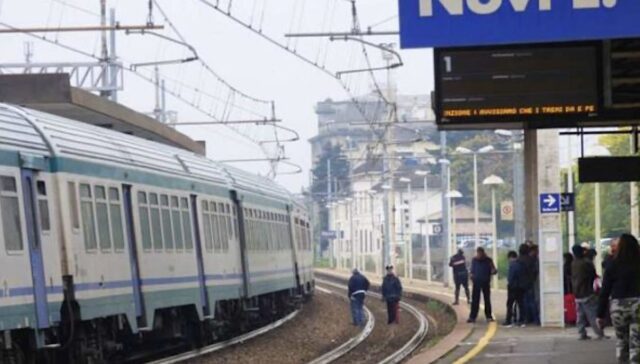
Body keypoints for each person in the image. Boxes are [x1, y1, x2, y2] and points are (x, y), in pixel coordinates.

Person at [597, 234, 640, 363]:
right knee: (637, 341)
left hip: (618, 306)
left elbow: (604, 291)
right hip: (638, 304)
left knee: (621, 340)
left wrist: (600, 314)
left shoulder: (612, 264)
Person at [571, 244, 606, 340]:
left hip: (577, 293)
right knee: (592, 314)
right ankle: (599, 333)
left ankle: (582, 333)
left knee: (580, 315)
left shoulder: (574, 263)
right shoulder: (586, 263)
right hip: (587, 291)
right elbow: (593, 275)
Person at [467, 247, 497, 323]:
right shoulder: (474, 260)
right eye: (478, 253)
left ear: (483, 253)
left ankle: (488, 316)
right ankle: (472, 317)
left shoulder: (488, 260)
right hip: (476, 282)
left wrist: (493, 271)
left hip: (485, 282)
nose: (479, 255)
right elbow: (472, 270)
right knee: (475, 300)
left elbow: (494, 270)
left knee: (487, 300)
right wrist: (471, 275)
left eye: (480, 253)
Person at [503, 250, 526, 327]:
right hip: (521, 287)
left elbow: (510, 277)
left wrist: (510, 283)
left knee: (510, 304)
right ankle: (521, 320)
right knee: (521, 304)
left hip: (513, 287)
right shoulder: (522, 264)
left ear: (511, 257)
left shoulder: (512, 265)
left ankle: (508, 320)